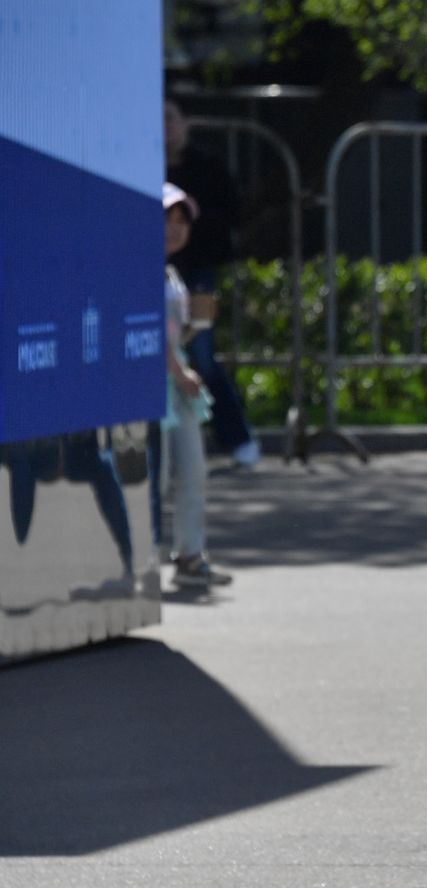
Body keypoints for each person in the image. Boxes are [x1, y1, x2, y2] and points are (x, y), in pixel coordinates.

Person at [164, 99, 259, 468]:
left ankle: (235, 436)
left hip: (196, 275)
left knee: (200, 354)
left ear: (186, 123)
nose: (174, 228)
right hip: (161, 275)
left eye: (171, 118)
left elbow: (229, 215)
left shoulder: (207, 167)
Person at [161, 183, 232, 589]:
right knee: (154, 478)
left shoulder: (172, 274)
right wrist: (178, 371)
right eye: (166, 219)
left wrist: (196, 325)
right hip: (159, 388)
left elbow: (171, 336)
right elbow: (146, 335)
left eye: (181, 220)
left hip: (179, 388)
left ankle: (190, 555)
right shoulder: (139, 271)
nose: (175, 228)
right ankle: (142, 560)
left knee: (193, 472)